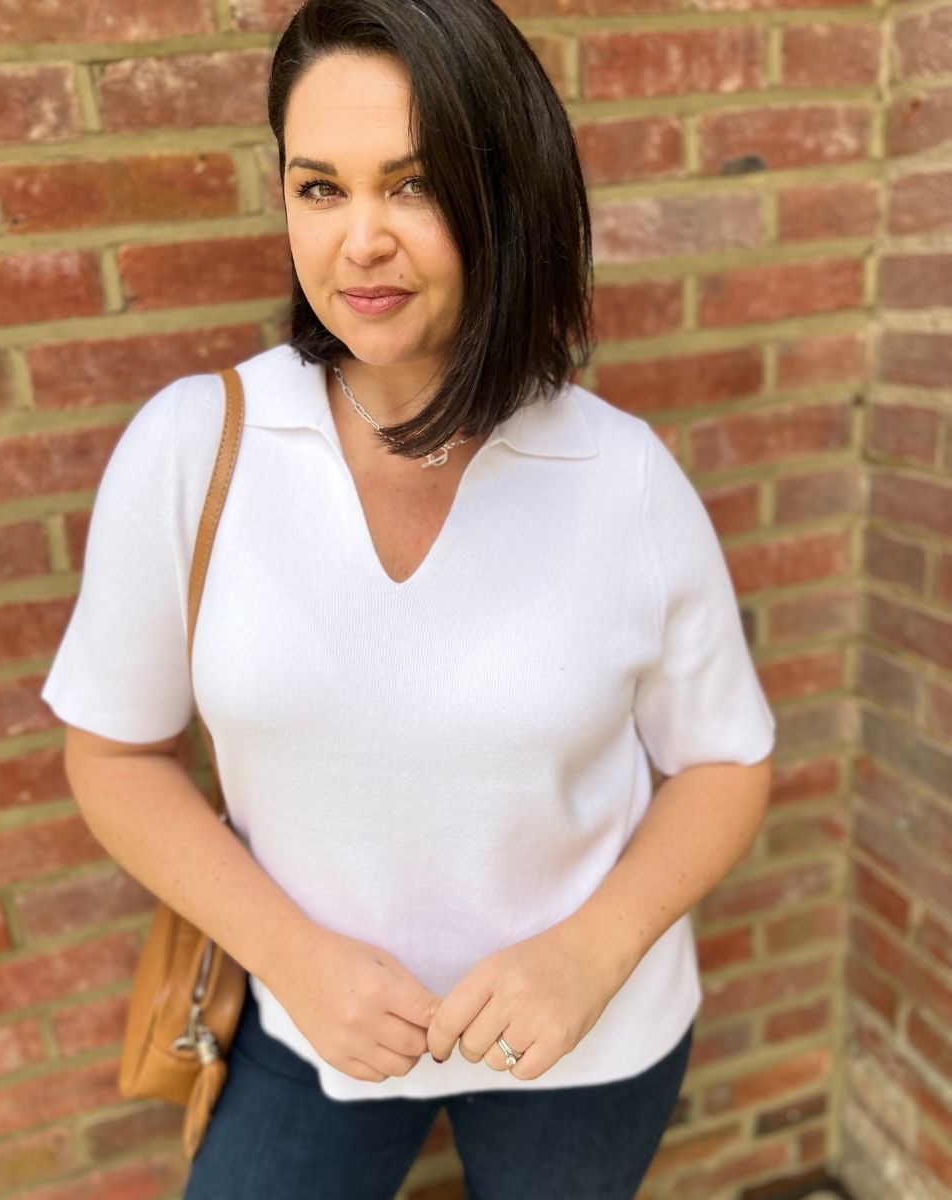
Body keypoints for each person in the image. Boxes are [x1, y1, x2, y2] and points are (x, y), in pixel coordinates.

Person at [40, 0, 777, 1196]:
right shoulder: (194, 448)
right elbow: (114, 751)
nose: (358, 241)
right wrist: (293, 957)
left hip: (588, 1040)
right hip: (300, 1027)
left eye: (414, 185)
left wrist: (587, 955)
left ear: (506, 194)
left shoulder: (619, 475)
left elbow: (723, 763)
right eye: (319, 187)